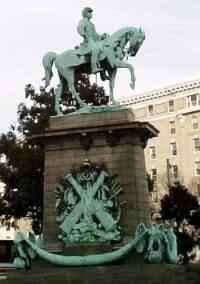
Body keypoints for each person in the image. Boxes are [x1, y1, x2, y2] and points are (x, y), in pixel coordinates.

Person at [77, 7, 104, 73]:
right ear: (85, 13)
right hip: (87, 41)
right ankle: (93, 67)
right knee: (95, 49)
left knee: (103, 47)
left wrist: (102, 36)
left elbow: (95, 34)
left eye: (91, 12)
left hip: (93, 41)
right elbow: (79, 28)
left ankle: (102, 70)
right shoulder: (83, 21)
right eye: (89, 12)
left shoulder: (92, 24)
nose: (91, 14)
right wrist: (83, 34)